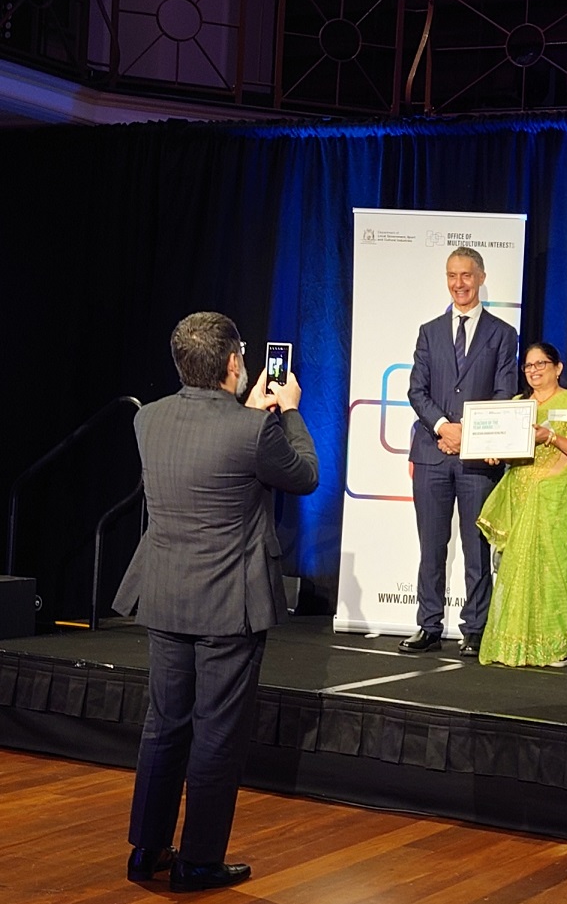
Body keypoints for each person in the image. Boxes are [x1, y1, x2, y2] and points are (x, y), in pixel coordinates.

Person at [112, 311, 318, 892]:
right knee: (217, 732)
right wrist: (291, 410)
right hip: (229, 603)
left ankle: (147, 849)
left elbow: (211, 444)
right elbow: (304, 474)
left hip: (166, 593)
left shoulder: (148, 419)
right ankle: (198, 861)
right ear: (233, 363)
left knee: (164, 725)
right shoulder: (254, 431)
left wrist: (244, 410)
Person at [401, 247, 518, 657]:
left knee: (476, 549)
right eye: (452, 275)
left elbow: (504, 392)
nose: (459, 283)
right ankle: (428, 625)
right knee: (431, 547)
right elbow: (416, 390)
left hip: (477, 461)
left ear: (481, 277)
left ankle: (476, 628)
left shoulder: (502, 334)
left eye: (466, 275)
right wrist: (443, 427)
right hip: (432, 453)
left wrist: (469, 434)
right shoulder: (428, 331)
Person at [476, 343, 567, 667]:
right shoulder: (517, 406)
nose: (534, 370)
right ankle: (512, 646)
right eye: (528, 366)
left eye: (541, 364)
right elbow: (509, 451)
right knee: (515, 571)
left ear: (558, 367)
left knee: (556, 572)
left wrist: (550, 439)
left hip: (557, 499)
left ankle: (553, 648)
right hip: (520, 497)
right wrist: (495, 453)